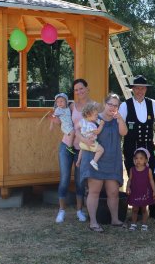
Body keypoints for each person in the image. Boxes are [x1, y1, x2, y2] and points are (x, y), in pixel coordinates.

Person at [119, 75, 155, 218]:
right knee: (134, 178)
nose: (140, 91)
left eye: (142, 88)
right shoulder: (125, 105)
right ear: (133, 89)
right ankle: (135, 209)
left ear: (146, 90)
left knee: (154, 176)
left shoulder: (152, 104)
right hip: (131, 148)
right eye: (137, 88)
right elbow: (118, 124)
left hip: (149, 148)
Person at [80, 93, 127, 232]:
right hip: (96, 160)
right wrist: (84, 141)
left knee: (113, 192)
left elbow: (124, 133)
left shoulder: (117, 119)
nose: (112, 107)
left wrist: (120, 119)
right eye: (110, 104)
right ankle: (93, 222)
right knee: (94, 191)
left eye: (115, 105)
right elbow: (80, 132)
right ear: (105, 104)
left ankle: (115, 219)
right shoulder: (95, 117)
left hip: (113, 160)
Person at [51, 79, 96, 224]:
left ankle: (79, 211)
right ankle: (61, 211)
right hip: (66, 146)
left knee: (79, 181)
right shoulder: (70, 106)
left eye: (81, 89)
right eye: (76, 90)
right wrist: (56, 122)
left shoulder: (94, 106)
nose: (79, 92)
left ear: (87, 89)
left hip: (82, 149)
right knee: (64, 178)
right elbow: (62, 122)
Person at [126, 148, 155, 231]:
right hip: (135, 192)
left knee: (144, 209)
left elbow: (151, 180)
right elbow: (130, 180)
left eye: (141, 158)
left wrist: (154, 191)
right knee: (135, 209)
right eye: (136, 158)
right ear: (134, 160)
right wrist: (127, 187)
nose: (138, 160)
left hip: (144, 193)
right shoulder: (132, 170)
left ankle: (144, 224)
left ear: (146, 160)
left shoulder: (148, 170)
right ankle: (133, 224)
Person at [76, 102, 105, 170]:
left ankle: (78, 160)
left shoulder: (82, 121)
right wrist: (101, 125)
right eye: (95, 115)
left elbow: (77, 127)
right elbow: (97, 132)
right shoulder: (91, 125)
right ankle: (94, 161)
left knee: (82, 149)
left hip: (82, 143)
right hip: (91, 143)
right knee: (101, 150)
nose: (97, 116)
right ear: (88, 115)